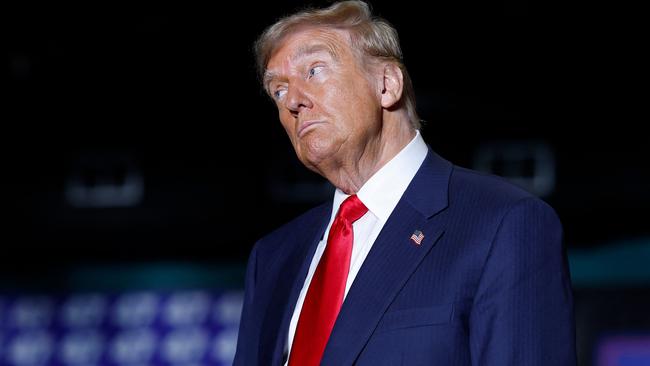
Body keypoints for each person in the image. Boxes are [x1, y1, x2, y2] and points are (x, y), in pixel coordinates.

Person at [234, 1, 576, 365]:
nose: (294, 102)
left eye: (314, 70)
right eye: (279, 90)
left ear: (387, 84)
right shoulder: (272, 257)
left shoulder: (504, 224)